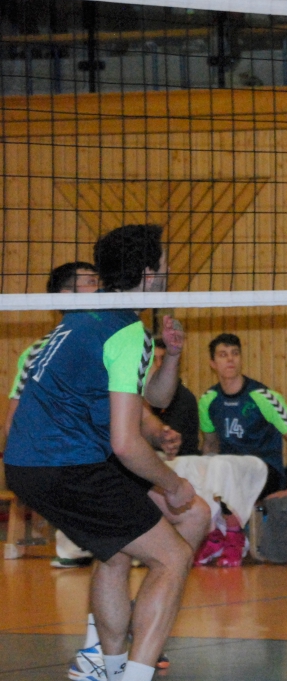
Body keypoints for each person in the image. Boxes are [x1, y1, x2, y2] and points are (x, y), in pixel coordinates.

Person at [3, 224, 211, 681]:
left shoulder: (87, 315)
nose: (168, 273)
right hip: (67, 464)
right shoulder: (125, 330)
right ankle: (133, 674)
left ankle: (105, 665)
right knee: (172, 557)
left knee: (119, 551)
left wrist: (172, 356)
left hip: (31, 465)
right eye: (164, 265)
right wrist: (173, 483)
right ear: (148, 274)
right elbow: (125, 442)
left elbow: (152, 399)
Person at [4, 262, 101, 570]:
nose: (99, 287)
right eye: (90, 281)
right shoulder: (38, 352)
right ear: (66, 295)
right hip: (58, 458)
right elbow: (12, 421)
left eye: (99, 280)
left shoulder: (110, 341)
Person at [197, 333, 287, 500]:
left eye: (235, 353)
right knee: (193, 469)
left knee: (226, 471)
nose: (230, 359)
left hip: (265, 471)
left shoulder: (263, 397)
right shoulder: (208, 400)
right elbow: (210, 445)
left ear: (241, 359)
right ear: (213, 363)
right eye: (223, 355)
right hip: (228, 471)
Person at [150, 337, 200, 457]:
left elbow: (188, 449)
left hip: (179, 461)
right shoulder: (139, 398)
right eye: (153, 360)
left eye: (163, 359)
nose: (158, 364)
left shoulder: (186, 399)